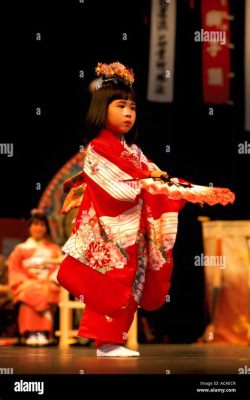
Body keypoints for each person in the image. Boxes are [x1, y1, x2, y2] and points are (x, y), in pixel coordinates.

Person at [57, 61, 235, 357]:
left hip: (132, 232)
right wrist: (156, 186)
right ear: (102, 108)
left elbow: (158, 177)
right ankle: (104, 339)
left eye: (132, 107)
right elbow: (120, 190)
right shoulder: (98, 148)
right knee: (112, 284)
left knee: (133, 282)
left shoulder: (134, 152)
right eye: (120, 106)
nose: (128, 113)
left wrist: (193, 190)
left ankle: (111, 342)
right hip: (110, 231)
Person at [7, 209, 63, 345]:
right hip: (27, 281)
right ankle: (31, 334)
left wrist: (50, 278)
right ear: (29, 227)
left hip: (48, 281)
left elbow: (60, 267)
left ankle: (44, 333)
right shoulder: (20, 248)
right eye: (35, 224)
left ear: (46, 228)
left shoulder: (54, 248)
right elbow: (14, 267)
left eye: (42, 225)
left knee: (43, 289)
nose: (39, 228)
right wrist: (24, 280)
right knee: (29, 289)